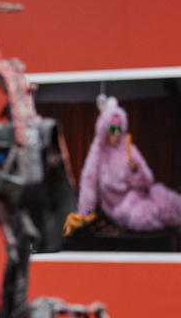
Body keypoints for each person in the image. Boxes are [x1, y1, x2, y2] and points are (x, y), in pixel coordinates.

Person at [76, 95, 181, 232]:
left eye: (119, 128)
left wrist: (136, 171)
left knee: (170, 201)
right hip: (121, 208)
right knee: (143, 216)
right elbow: (88, 183)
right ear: (104, 129)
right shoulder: (98, 152)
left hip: (142, 195)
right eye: (112, 129)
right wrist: (83, 214)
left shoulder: (128, 147)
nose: (116, 133)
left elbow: (148, 181)